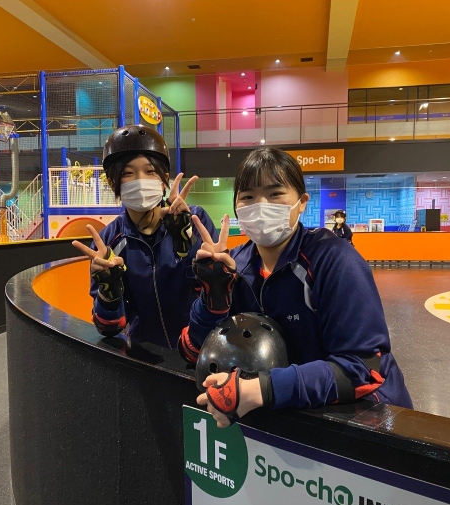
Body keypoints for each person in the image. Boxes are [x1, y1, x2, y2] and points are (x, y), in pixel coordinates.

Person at [178, 147, 413, 428]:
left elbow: (363, 368)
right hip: (290, 417)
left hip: (363, 420)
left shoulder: (334, 260)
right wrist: (213, 296)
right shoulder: (235, 265)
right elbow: (193, 350)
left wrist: (265, 388)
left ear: (302, 202)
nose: (261, 205)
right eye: (248, 197)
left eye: (275, 194)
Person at [72, 125, 218, 350]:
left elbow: (217, 297)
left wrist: (189, 242)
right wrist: (109, 292)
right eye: (128, 173)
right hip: (144, 357)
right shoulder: (108, 240)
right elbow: (109, 328)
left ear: (164, 179)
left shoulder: (195, 221)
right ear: (113, 183)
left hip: (199, 349)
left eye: (150, 171)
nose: (140, 180)